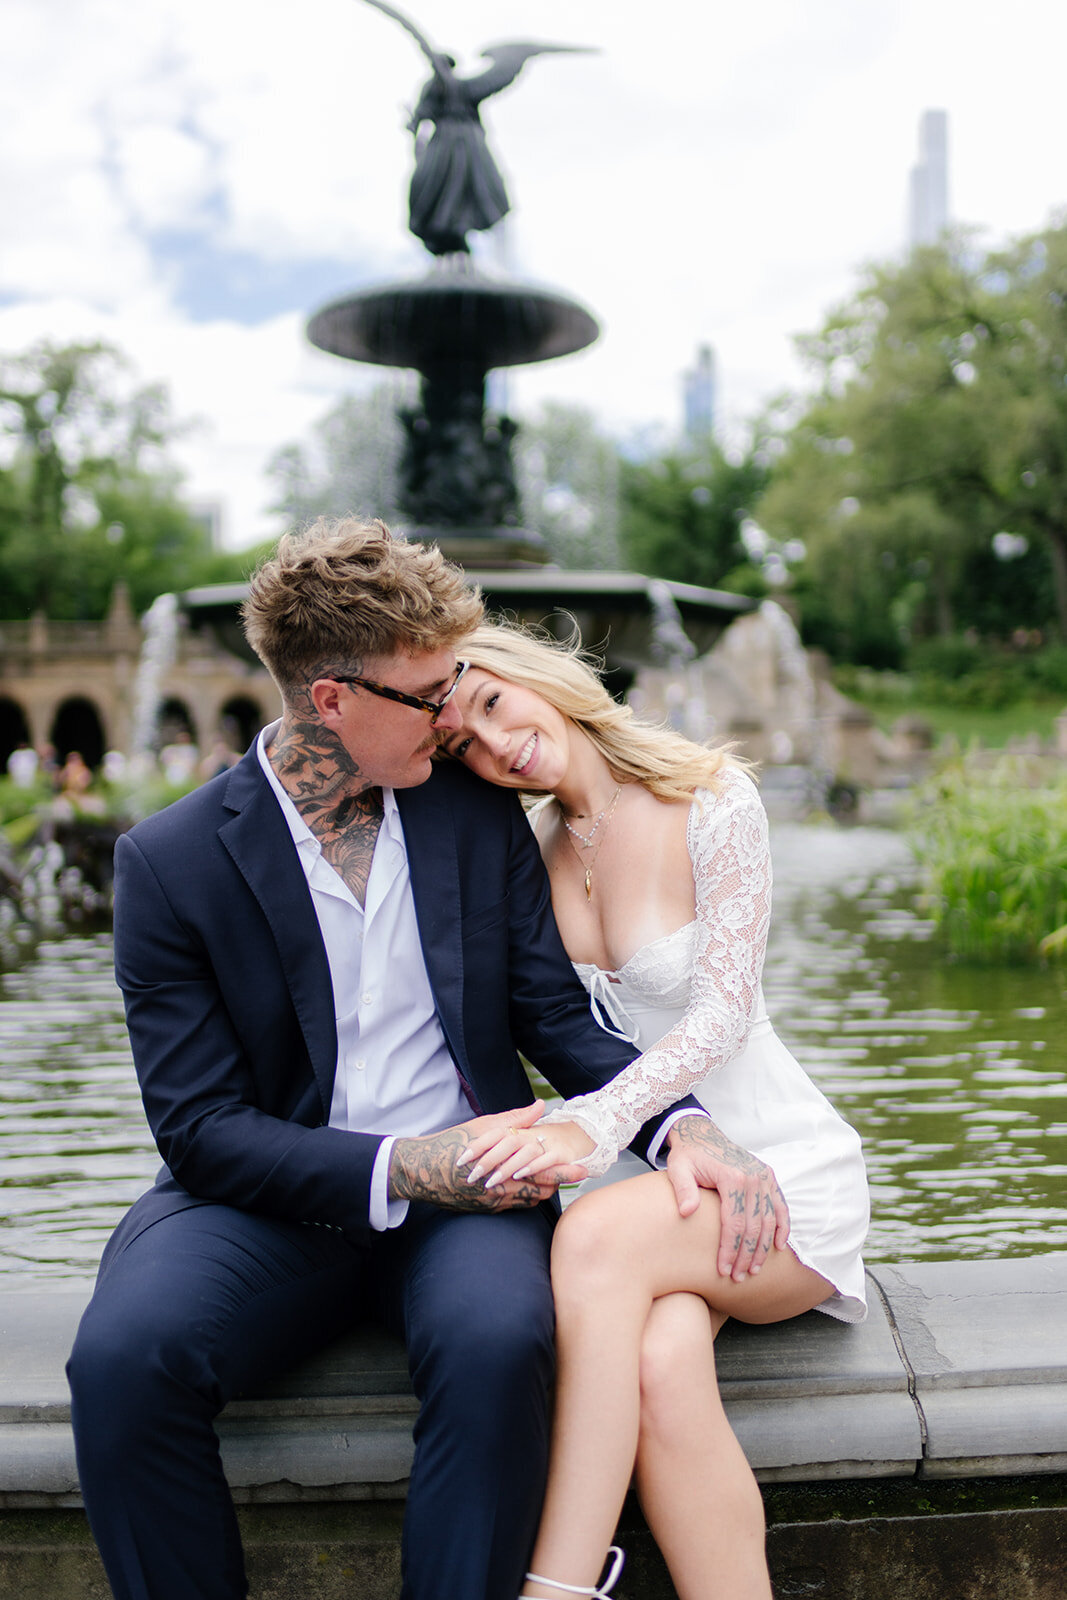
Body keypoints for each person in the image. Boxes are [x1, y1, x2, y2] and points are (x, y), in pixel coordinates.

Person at [66, 519, 739, 1600]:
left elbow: (554, 1019)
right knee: (119, 1363)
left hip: (467, 1208)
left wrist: (681, 1123)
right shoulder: (170, 862)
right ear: (331, 699)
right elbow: (199, 1129)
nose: (453, 714)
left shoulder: (474, 815)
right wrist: (409, 1165)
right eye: (429, 693)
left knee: (498, 1342)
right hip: (258, 1204)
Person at [442, 620, 871, 1600]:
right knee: (662, 1361)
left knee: (590, 1238)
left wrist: (586, 1127)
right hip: (658, 1189)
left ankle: (553, 1589)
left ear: (536, 677)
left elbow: (718, 1014)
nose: (494, 743)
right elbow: (554, 1030)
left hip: (774, 1167)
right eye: (463, 742)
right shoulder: (530, 856)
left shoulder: (710, 793)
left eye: (494, 705)